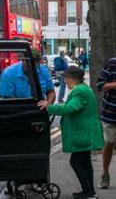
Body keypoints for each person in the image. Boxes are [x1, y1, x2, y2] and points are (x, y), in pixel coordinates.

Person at [42, 66, 104, 199]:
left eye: (66, 78)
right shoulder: (83, 89)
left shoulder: (80, 91)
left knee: (76, 162)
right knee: (85, 163)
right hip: (85, 132)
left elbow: (70, 108)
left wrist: (49, 107)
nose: (64, 81)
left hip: (83, 133)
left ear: (73, 78)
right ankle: (89, 192)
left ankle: (88, 192)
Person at [94, 52, 116, 190]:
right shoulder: (113, 63)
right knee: (109, 144)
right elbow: (100, 85)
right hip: (111, 113)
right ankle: (105, 173)